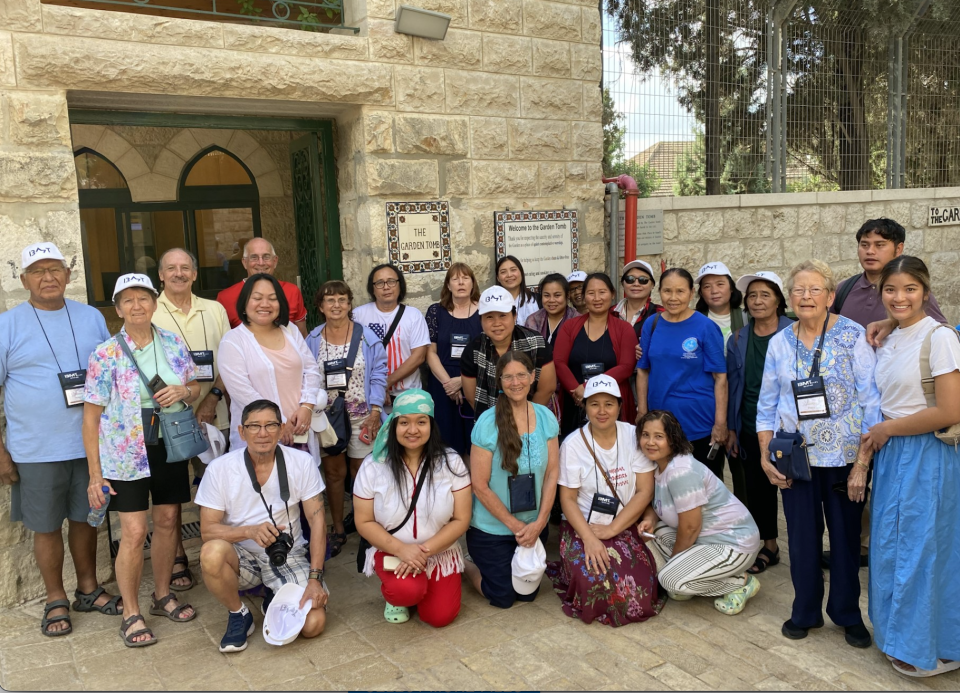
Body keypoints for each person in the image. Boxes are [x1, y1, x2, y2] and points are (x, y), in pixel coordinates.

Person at [756, 259, 879, 648]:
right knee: (804, 539)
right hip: (796, 456)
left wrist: (863, 461)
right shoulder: (779, 341)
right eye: (798, 290)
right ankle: (805, 610)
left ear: (830, 296)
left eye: (814, 290)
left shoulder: (852, 335)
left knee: (843, 539)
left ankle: (846, 613)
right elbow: (766, 404)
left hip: (844, 458)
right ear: (789, 298)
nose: (806, 296)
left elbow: (871, 402)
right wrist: (765, 454)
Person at [0, 242, 119, 637]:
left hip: (90, 446)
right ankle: (55, 598)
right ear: (23, 280)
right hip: (36, 450)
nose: (47, 277)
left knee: (86, 519)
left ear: (68, 276)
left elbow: (110, 376)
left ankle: (88, 589)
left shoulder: (90, 318)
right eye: (37, 271)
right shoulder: (7, 324)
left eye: (55, 269)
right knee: (45, 525)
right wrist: (0, 452)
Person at [83, 274, 201, 647]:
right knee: (133, 532)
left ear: (154, 303)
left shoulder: (170, 341)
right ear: (117, 309)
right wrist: (95, 474)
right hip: (125, 453)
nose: (137, 306)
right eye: (128, 301)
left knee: (167, 521)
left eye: (143, 299)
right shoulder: (105, 353)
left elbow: (194, 385)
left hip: (168, 445)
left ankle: (162, 594)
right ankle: (131, 612)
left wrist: (185, 390)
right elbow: (90, 417)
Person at [861, 256, 960, 677]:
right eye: (891, 289)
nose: (899, 297)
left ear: (926, 290)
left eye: (910, 289)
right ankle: (900, 635)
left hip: (924, 454)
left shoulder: (939, 338)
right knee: (892, 546)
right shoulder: (893, 334)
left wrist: (888, 430)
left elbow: (950, 409)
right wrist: (888, 324)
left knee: (925, 550)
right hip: (894, 455)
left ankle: (933, 647)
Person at [831, 218, 946, 569]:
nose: (870, 250)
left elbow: (925, 327)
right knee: (860, 495)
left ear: (898, 248)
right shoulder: (847, 288)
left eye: (879, 244)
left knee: (907, 516)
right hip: (858, 415)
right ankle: (858, 550)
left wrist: (891, 320)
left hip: (907, 427)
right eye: (864, 244)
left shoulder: (928, 319)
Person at [197, 400, 329, 652]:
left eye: (270, 425)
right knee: (211, 552)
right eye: (254, 426)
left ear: (281, 429)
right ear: (241, 431)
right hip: (240, 556)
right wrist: (249, 531)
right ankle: (238, 613)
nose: (262, 433)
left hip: (286, 555)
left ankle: (273, 596)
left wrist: (315, 578)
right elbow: (208, 530)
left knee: (313, 624)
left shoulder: (301, 462)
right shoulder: (220, 469)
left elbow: (318, 520)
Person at [547, 376, 663, 627]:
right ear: (585, 406)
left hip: (625, 520)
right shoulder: (572, 444)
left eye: (609, 404)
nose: (602, 411)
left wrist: (613, 528)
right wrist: (588, 538)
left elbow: (644, 490)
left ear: (620, 406)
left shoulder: (633, 436)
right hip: (583, 525)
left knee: (640, 583)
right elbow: (567, 499)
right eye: (594, 404)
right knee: (593, 579)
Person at [354, 389, 472, 626]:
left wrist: (423, 551)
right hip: (392, 551)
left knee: (440, 617)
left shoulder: (451, 462)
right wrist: (401, 549)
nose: (413, 430)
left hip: (439, 552)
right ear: (394, 425)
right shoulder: (374, 466)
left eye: (421, 421)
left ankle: (425, 586)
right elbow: (364, 521)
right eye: (404, 422)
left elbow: (461, 518)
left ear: (431, 424)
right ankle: (400, 594)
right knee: (406, 592)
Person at [153, 247, 232, 591]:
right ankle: (178, 556)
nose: (179, 273)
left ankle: (219, 550)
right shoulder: (148, 310)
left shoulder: (214, 310)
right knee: (170, 496)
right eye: (171, 268)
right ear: (161, 275)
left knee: (219, 487)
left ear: (195, 274)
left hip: (216, 415)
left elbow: (229, 360)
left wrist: (211, 399)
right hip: (167, 421)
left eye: (185, 267)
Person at [638, 411, 761, 615]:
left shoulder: (680, 471)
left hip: (733, 544)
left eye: (659, 436)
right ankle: (692, 575)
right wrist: (650, 518)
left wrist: (676, 565)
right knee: (656, 532)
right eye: (645, 435)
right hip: (704, 540)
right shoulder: (657, 464)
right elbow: (655, 502)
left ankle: (741, 582)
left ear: (673, 438)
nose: (650, 442)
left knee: (669, 580)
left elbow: (690, 527)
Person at [463, 351, 560, 608]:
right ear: (499, 381)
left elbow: (552, 474)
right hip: (493, 529)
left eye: (521, 375)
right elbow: (480, 485)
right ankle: (464, 563)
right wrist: (515, 526)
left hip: (534, 526)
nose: (515, 382)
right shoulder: (487, 422)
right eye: (508, 377)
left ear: (532, 377)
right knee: (502, 597)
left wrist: (540, 523)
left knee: (527, 595)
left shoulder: (545, 417)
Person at [305, 280, 387, 559]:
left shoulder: (367, 337)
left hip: (363, 417)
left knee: (363, 473)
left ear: (350, 304)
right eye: (330, 300)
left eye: (342, 299)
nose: (336, 305)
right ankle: (338, 528)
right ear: (320, 307)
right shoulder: (313, 339)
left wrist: (376, 411)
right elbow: (306, 376)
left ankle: (368, 529)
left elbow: (378, 375)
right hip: (327, 419)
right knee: (334, 474)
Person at [725, 272, 793, 574]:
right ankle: (769, 545)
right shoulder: (738, 339)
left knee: (797, 492)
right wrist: (731, 428)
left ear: (778, 299)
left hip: (792, 428)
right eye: (752, 295)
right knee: (758, 489)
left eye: (765, 294)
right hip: (752, 424)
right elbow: (732, 386)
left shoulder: (796, 332)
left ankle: (807, 550)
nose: (757, 301)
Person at [635, 268, 728, 480]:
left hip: (699, 423)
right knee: (664, 484)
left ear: (691, 292)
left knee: (703, 487)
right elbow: (642, 370)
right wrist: (642, 412)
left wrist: (720, 424)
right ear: (659, 292)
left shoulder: (706, 327)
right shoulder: (653, 323)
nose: (673, 298)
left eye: (680, 291)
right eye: (667, 291)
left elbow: (720, 377)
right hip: (660, 424)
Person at [218, 273, 323, 455]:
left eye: (272, 299)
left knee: (301, 480)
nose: (265, 304)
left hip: (300, 432)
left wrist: (307, 406)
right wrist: (279, 423)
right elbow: (243, 393)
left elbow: (312, 370)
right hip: (260, 436)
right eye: (257, 298)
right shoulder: (233, 341)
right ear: (244, 303)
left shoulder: (290, 330)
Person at [554, 273, 638, 437]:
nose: (597, 298)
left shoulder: (624, 329)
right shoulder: (570, 326)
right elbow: (559, 362)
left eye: (602, 292)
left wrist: (587, 388)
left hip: (611, 406)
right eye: (591, 293)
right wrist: (578, 394)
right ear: (584, 296)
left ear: (612, 294)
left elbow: (626, 367)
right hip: (576, 405)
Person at [460, 286, 556, 419]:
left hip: (533, 418)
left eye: (503, 316)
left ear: (514, 316)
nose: (496, 323)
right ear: (480, 320)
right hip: (490, 422)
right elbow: (472, 397)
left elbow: (547, 388)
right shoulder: (473, 350)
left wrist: (525, 418)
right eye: (489, 317)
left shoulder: (536, 342)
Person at [425, 263, 482, 457]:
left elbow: (489, 351)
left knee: (474, 439)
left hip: (475, 381)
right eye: (455, 279)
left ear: (473, 284)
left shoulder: (484, 312)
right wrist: (448, 383)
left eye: (465, 278)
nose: (460, 283)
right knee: (444, 440)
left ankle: (473, 485)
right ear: (448, 285)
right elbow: (430, 352)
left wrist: (463, 382)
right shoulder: (435, 312)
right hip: (442, 383)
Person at [353, 264, 430, 401]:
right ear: (372, 289)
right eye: (379, 283)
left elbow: (418, 356)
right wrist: (376, 387)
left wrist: (385, 383)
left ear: (400, 285)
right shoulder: (358, 316)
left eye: (391, 281)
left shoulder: (413, 315)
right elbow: (354, 354)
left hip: (407, 395)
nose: (386, 287)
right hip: (368, 394)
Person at [216, 238, 309, 336]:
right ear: (244, 262)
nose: (261, 263)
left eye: (266, 257)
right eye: (254, 257)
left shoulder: (292, 291)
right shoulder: (225, 297)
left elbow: (302, 335)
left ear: (275, 261)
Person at [524, 273, 578, 422]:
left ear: (567, 296)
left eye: (557, 295)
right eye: (547, 295)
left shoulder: (577, 320)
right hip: (539, 391)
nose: (552, 300)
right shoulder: (532, 320)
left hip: (570, 392)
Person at [696, 261, 745, 351]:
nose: (714, 291)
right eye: (707, 286)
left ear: (731, 288)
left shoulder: (747, 318)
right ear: (701, 293)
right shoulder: (694, 319)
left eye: (720, 284)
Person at [615, 260, 661, 330]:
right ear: (622, 284)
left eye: (643, 280)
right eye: (630, 279)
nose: (636, 284)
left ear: (652, 285)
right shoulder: (611, 313)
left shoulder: (660, 314)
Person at [495, 255, 538, 325]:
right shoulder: (493, 303)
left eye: (513, 270)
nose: (509, 275)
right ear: (498, 278)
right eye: (503, 272)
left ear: (521, 272)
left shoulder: (537, 300)